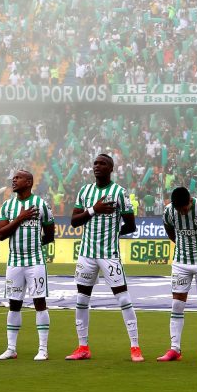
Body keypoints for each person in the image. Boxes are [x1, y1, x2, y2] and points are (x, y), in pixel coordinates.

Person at [66, 154, 142, 362]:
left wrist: (111, 234)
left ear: (111, 168)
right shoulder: (85, 191)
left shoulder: (119, 192)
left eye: (102, 164)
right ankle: (83, 347)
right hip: (86, 256)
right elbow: (74, 221)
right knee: (81, 299)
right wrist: (93, 210)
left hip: (109, 255)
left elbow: (131, 225)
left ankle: (135, 347)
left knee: (123, 298)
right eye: (95, 163)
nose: (97, 166)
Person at [0, 169, 54, 361]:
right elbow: (1, 234)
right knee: (14, 304)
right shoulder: (7, 206)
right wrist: (20, 218)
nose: (14, 181)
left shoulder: (41, 204)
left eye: (18, 178)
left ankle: (43, 349)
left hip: (35, 262)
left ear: (29, 182)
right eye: (13, 178)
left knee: (39, 302)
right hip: (14, 262)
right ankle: (11, 348)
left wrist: (34, 246)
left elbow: (50, 234)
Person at [157, 186, 197, 362]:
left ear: (190, 201)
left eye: (184, 208)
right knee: (177, 304)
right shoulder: (169, 212)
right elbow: (169, 229)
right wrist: (181, 245)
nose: (182, 212)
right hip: (181, 263)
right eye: (179, 209)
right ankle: (175, 349)